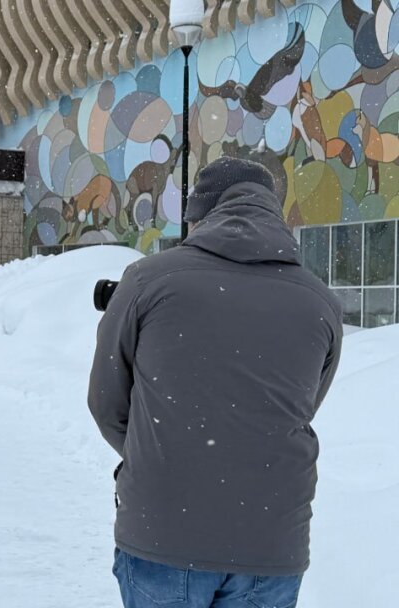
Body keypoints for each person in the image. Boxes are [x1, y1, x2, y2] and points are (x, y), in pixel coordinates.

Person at [87, 157, 343, 607]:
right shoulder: (320, 302)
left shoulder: (148, 281)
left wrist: (160, 454)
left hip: (162, 533)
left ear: (201, 215)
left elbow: (107, 401)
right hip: (271, 543)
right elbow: (299, 408)